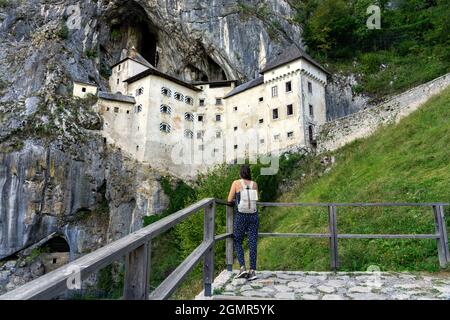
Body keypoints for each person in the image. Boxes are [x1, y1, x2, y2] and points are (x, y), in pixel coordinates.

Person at [227, 165, 259, 281]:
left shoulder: (236, 183)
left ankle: (242, 268)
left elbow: (229, 200)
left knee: (237, 240)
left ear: (240, 173)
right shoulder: (254, 184)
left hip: (241, 216)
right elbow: (256, 199)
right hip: (253, 216)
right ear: (249, 173)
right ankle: (252, 270)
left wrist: (236, 199)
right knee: (252, 242)